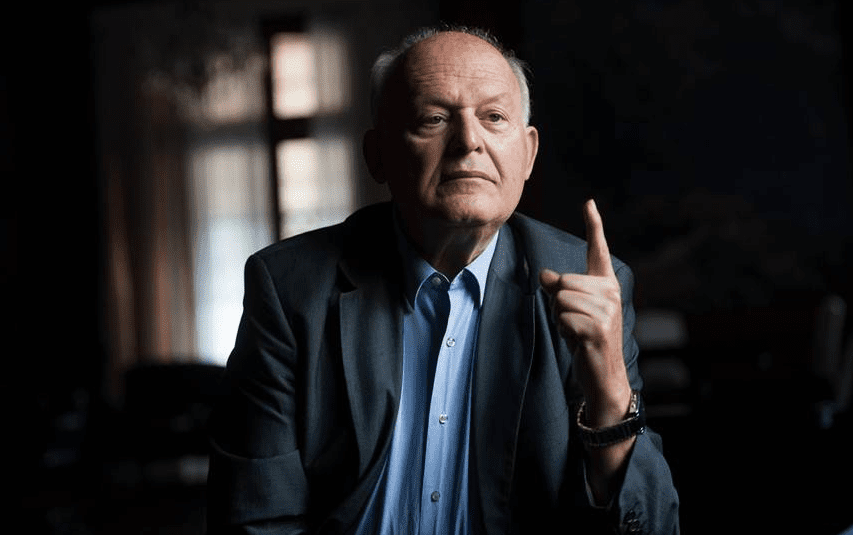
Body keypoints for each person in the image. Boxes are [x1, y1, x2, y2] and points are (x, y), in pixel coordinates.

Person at [207, 25, 680, 535]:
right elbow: (256, 518)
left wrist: (610, 395)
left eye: (493, 117)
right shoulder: (291, 288)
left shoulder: (587, 284)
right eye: (433, 119)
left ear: (528, 154)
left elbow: (651, 526)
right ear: (377, 155)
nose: (469, 141)